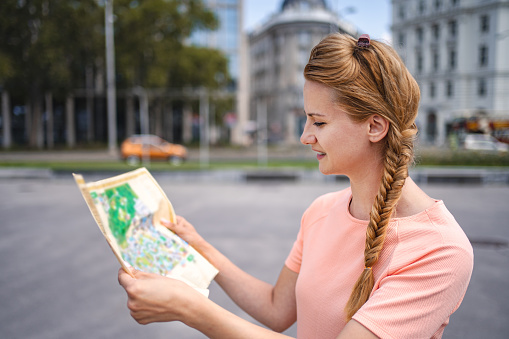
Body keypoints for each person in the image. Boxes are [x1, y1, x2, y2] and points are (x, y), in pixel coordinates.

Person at [118, 33, 474, 338]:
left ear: (375, 127)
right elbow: (276, 309)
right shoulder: (320, 212)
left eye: (318, 122)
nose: (305, 137)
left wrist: (190, 308)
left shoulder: (441, 250)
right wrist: (198, 247)